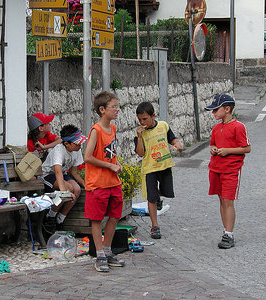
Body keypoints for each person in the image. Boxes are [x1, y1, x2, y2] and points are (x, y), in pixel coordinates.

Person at [84, 91, 125, 273]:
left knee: (115, 215)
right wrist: (109, 167)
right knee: (97, 219)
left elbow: (110, 154)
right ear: (102, 110)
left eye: (117, 106)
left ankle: (107, 250)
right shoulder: (96, 130)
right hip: (98, 183)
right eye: (113, 107)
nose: (117, 110)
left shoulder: (113, 129)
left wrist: (115, 164)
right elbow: (88, 157)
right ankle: (99, 254)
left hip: (113, 182)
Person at [205, 94, 251, 249]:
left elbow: (246, 148)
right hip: (216, 168)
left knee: (228, 201)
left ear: (227, 109)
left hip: (231, 169)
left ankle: (229, 234)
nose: (213, 113)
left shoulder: (238, 127)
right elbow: (212, 144)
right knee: (221, 199)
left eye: (215, 110)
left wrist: (227, 151)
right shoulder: (217, 128)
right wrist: (213, 149)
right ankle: (225, 230)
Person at [134, 101, 182, 240]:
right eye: (139, 120)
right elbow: (140, 153)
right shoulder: (140, 134)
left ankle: (158, 197)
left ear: (153, 116)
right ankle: (155, 226)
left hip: (165, 165)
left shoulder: (163, 126)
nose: (142, 122)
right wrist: (139, 137)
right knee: (151, 197)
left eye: (145, 119)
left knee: (167, 191)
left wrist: (177, 144)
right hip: (150, 168)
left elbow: (172, 139)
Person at [41, 124, 87, 232]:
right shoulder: (58, 150)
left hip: (62, 174)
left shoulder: (77, 150)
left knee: (77, 189)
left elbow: (74, 172)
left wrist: (85, 184)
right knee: (68, 189)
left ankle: (60, 219)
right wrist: (65, 192)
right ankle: (50, 216)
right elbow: (57, 171)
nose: (80, 146)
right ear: (66, 143)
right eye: (77, 143)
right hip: (48, 175)